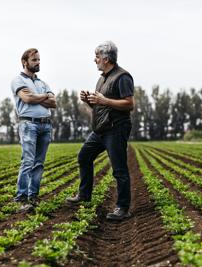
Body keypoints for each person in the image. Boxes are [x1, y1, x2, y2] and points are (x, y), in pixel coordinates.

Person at [66, 41, 135, 221]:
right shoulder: (102, 78)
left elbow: (129, 104)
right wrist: (89, 101)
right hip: (100, 130)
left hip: (116, 129)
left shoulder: (122, 77)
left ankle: (123, 207)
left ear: (106, 58)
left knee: (119, 169)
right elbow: (101, 105)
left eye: (97, 56)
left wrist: (104, 101)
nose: (94, 60)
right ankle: (84, 195)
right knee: (84, 157)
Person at [11, 48, 56, 211]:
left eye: (39, 60)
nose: (38, 63)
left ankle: (33, 196)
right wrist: (44, 96)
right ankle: (21, 198)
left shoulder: (42, 83)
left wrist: (37, 97)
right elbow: (27, 98)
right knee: (28, 161)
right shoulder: (18, 81)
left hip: (46, 125)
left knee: (39, 163)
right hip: (28, 124)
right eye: (34, 60)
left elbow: (54, 103)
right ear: (25, 62)